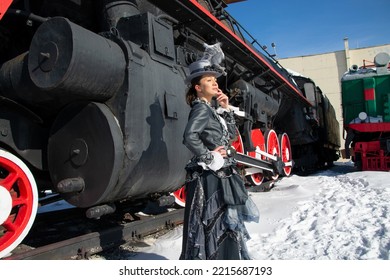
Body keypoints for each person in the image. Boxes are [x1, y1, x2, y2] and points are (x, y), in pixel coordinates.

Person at [179, 44, 259, 260]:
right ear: (197, 87)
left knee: (224, 224)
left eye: (215, 80)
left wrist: (225, 108)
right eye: (208, 80)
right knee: (215, 224)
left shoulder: (212, 110)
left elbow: (230, 136)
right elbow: (189, 137)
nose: (214, 83)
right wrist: (209, 157)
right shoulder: (201, 108)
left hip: (220, 175)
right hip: (211, 177)